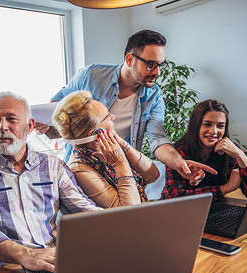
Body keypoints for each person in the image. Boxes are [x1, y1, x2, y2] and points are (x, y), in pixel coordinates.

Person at [37, 29, 216, 185]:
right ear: (130, 59)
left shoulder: (154, 96)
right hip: (81, 170)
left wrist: (179, 162)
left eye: (161, 65)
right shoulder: (91, 76)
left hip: (119, 171)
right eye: (151, 64)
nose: (157, 72)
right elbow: (58, 108)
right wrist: (46, 125)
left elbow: (157, 139)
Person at [0, 91, 100, 273]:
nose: (2, 127)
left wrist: (124, 227)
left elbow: (85, 210)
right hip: (6, 271)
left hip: (51, 264)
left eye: (11, 119)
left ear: (30, 126)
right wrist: (26, 255)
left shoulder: (54, 167)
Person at [52, 90, 160, 207]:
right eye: (107, 116)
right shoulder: (80, 169)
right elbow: (129, 213)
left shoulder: (111, 148)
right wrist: (120, 164)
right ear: (96, 133)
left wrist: (123, 145)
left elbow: (153, 175)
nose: (113, 117)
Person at [160, 99, 247, 201]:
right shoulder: (176, 153)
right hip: (180, 214)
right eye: (207, 124)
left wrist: (240, 155)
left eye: (220, 126)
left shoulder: (230, 150)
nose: (214, 131)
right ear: (196, 125)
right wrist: (226, 188)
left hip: (215, 211)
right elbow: (176, 197)